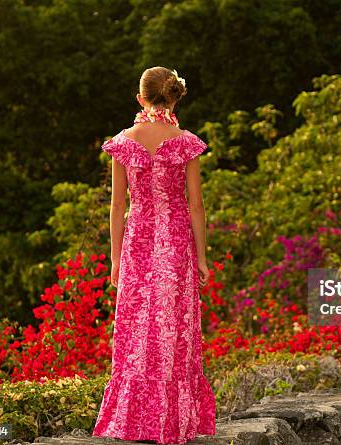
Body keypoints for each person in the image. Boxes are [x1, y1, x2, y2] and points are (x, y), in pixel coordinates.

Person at [92, 66, 216, 444]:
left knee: (137, 328)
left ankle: (135, 421)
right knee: (172, 329)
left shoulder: (123, 143)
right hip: (176, 242)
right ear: (176, 97)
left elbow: (117, 207)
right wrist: (203, 258)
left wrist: (115, 259)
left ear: (140, 98)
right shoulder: (186, 143)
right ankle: (172, 420)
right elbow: (196, 206)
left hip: (138, 242)